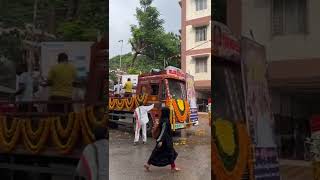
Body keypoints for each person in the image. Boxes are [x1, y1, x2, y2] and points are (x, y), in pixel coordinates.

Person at [144, 107, 180, 172]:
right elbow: (163, 131)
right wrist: (160, 140)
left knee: (156, 152)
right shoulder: (166, 121)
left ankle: (148, 164)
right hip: (165, 140)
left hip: (163, 140)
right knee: (170, 153)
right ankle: (173, 167)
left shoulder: (162, 119)